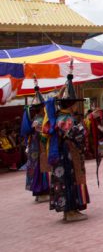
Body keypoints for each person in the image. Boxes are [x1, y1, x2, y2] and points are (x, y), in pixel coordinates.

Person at [45, 73, 90, 222]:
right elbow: (77, 134)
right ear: (71, 104)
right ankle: (71, 210)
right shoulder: (68, 119)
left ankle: (68, 210)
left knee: (63, 180)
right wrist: (89, 121)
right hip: (68, 153)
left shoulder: (58, 116)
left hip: (61, 152)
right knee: (70, 179)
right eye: (75, 103)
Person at [20, 84, 50, 202]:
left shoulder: (35, 120)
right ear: (42, 107)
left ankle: (39, 192)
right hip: (39, 150)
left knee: (38, 169)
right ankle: (42, 191)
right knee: (41, 169)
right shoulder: (40, 121)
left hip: (35, 150)